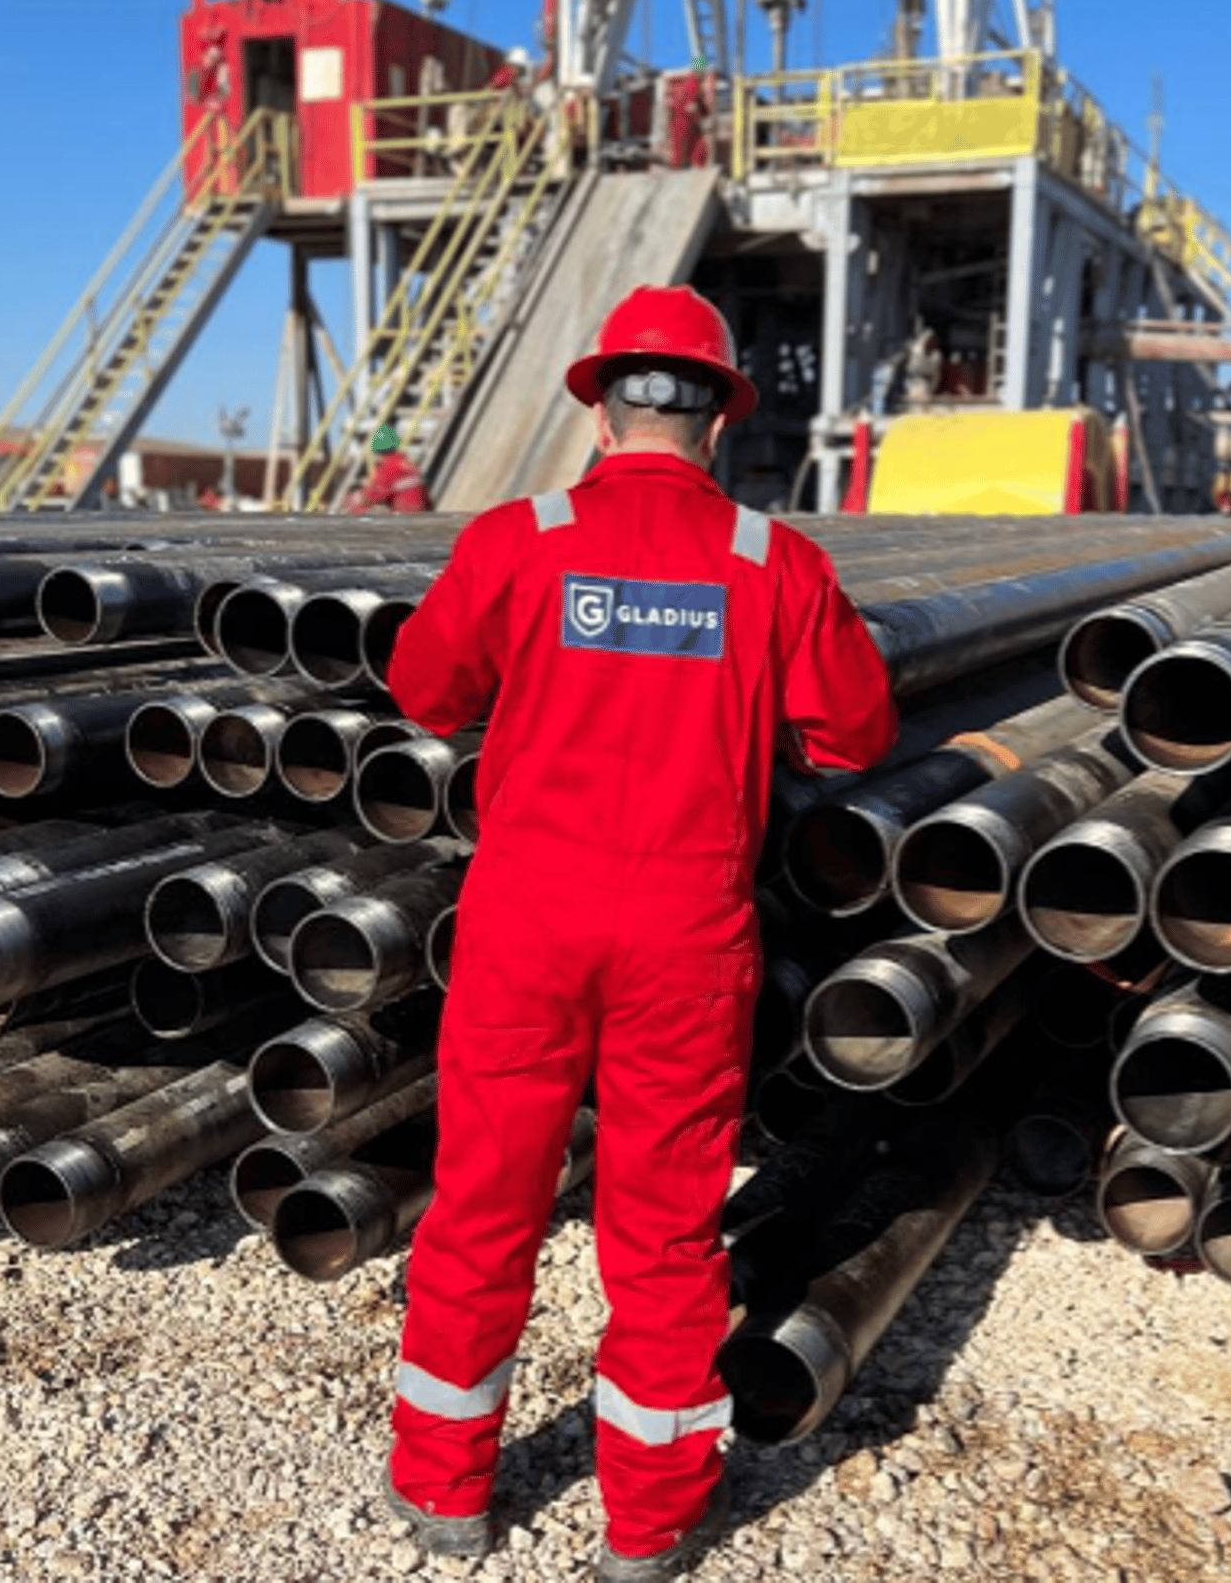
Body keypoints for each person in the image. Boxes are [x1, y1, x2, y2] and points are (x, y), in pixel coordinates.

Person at [382, 285, 898, 1580]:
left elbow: (426, 691)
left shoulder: (519, 540)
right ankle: (651, 1522)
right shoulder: (774, 562)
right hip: (686, 932)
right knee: (664, 1230)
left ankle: (446, 1490)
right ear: (718, 419)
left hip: (527, 923)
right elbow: (853, 736)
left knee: (483, 1201)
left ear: (602, 412)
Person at [348, 424, 432, 514]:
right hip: (422, 507)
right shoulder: (404, 460)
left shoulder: (388, 465)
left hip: (406, 510)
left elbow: (378, 493)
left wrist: (361, 496)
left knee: (357, 506)